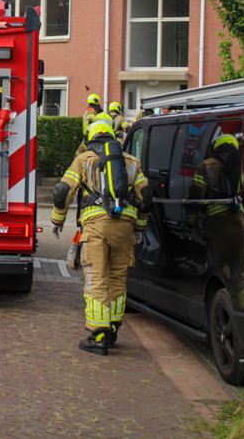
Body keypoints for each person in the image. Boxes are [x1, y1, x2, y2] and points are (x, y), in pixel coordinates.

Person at [51, 121, 153, 356]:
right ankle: (113, 328)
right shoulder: (131, 161)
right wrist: (138, 228)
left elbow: (62, 192)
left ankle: (98, 335)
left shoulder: (84, 159)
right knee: (117, 278)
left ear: (90, 138)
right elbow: (146, 197)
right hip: (125, 227)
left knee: (96, 279)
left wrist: (57, 222)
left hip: (96, 226)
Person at [189, 133, 244, 308]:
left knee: (219, 267)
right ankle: (242, 307)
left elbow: (194, 195)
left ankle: (223, 304)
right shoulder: (238, 168)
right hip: (239, 222)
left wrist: (191, 221)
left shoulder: (206, 166)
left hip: (217, 223)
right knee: (241, 270)